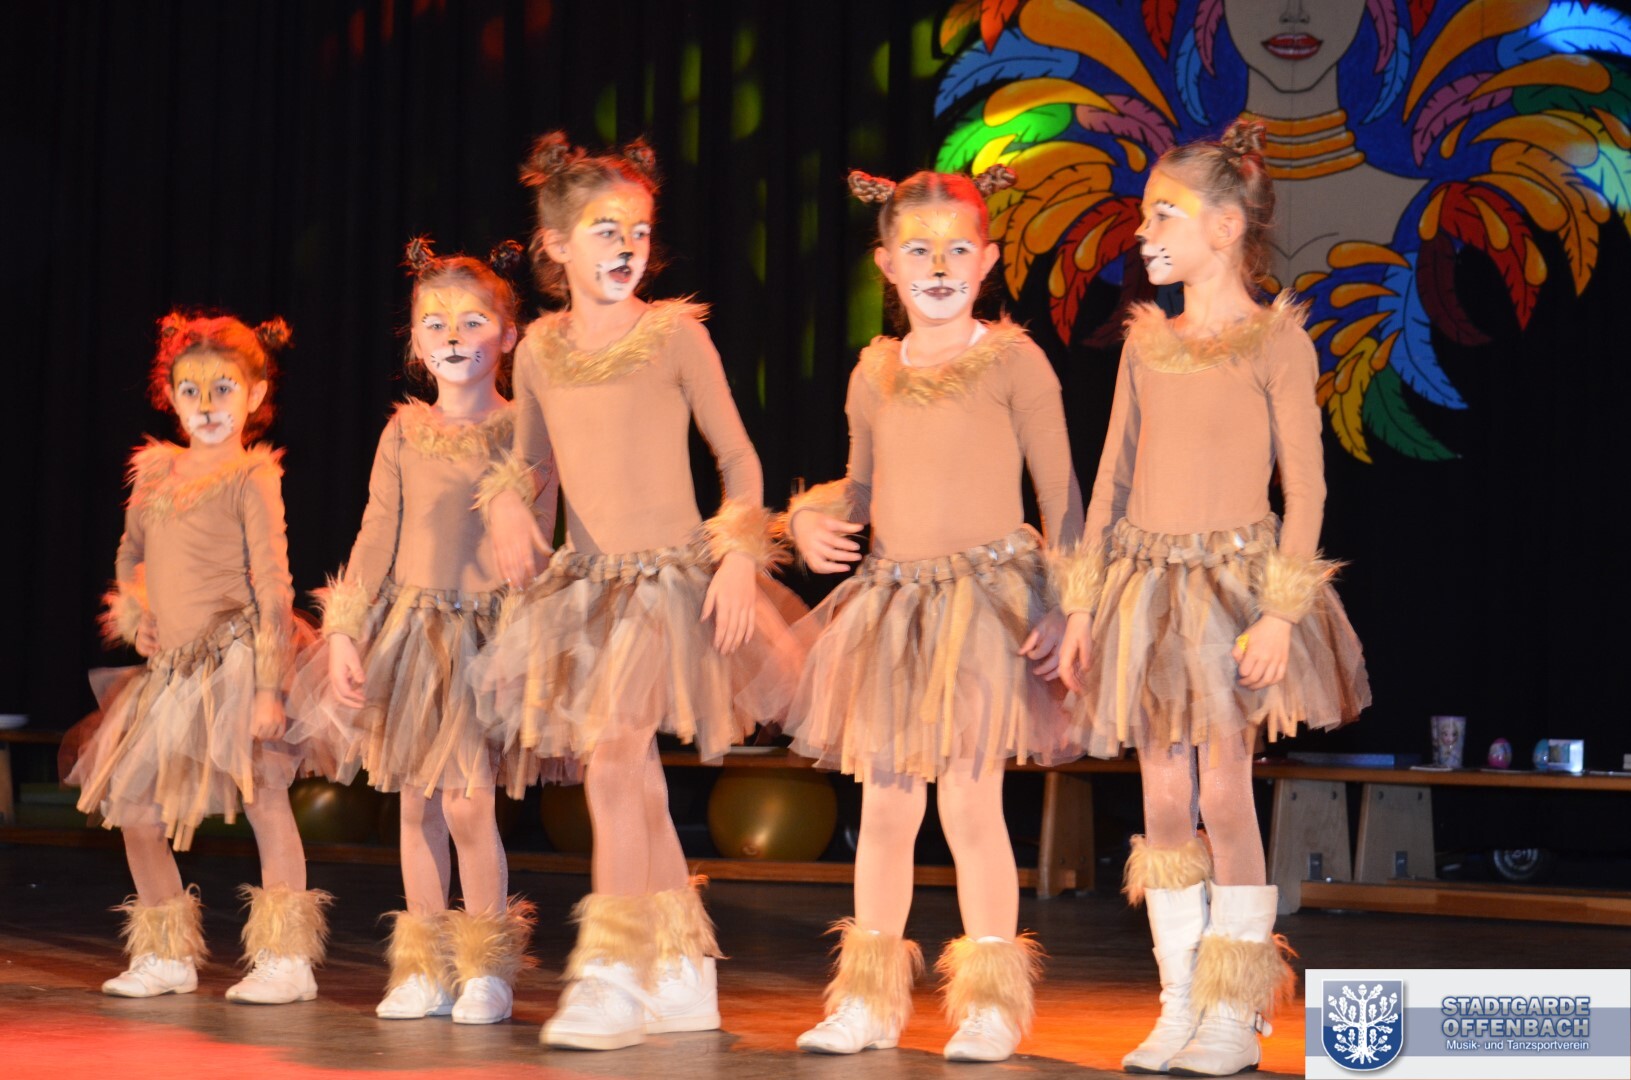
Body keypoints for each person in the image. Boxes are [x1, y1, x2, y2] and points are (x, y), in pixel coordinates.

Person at [474, 132, 804, 1050]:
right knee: (634, 783)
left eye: (640, 230)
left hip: (671, 584)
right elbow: (530, 463)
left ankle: (612, 970)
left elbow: (739, 461)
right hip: (589, 592)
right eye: (604, 229)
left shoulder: (674, 334)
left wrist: (738, 554)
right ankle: (684, 971)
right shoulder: (539, 350)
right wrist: (505, 503)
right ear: (554, 245)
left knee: (617, 759)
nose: (626, 246)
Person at [1056, 118, 1371, 1076]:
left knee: (1225, 790)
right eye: (1144, 213)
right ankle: (1179, 1001)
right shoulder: (1145, 345)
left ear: (1226, 228)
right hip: (1147, 592)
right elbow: (1111, 481)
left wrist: (1280, 612)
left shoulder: (1275, 341)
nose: (1143, 230)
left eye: (1164, 213)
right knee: (1161, 796)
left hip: (1232, 593)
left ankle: (1233, 1011)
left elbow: (1306, 490)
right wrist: (1082, 605)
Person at [784, 165, 1083, 1063]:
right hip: (894, 606)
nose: (939, 266)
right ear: (886, 264)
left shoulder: (1014, 361)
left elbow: (1062, 497)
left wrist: (1067, 604)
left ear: (986, 261)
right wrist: (804, 519)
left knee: (969, 800)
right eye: (918, 250)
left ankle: (990, 1003)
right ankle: (869, 1000)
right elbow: (861, 487)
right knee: (883, 802)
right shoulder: (873, 371)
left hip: (985, 603)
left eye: (958, 249)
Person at [290, 238, 548, 1024]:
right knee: (415, 805)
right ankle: (425, 964)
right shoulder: (402, 432)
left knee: (468, 804)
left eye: (472, 322)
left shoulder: (524, 429)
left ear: (507, 335)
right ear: (414, 341)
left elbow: (536, 540)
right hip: (412, 635)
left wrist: (524, 643)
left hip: (485, 634)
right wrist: (344, 631)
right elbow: (376, 535)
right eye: (434, 324)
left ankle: (486, 967)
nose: (453, 337)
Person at [70, 311, 331, 1005]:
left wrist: (270, 686)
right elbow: (130, 555)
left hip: (238, 655)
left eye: (224, 389)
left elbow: (272, 584)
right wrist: (138, 612)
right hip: (172, 670)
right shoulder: (155, 473)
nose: (208, 405)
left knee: (263, 797)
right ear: (170, 396)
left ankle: (286, 959)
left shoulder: (251, 476)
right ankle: (166, 955)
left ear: (255, 393)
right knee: (135, 809)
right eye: (191, 391)